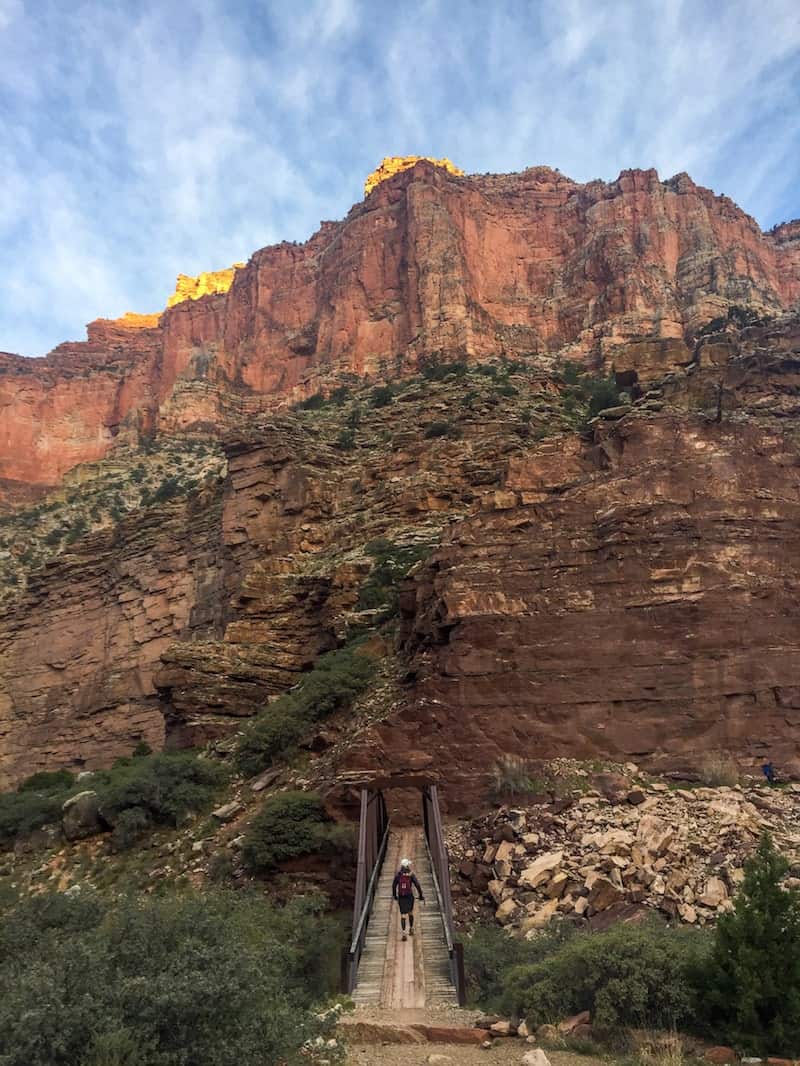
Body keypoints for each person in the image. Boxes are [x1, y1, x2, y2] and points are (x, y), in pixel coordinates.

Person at [392, 857, 425, 941]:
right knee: (410, 912)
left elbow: (394, 886)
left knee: (403, 914)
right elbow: (417, 885)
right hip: (409, 896)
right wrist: (421, 895)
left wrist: (395, 896)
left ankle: (403, 932)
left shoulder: (398, 875)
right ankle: (411, 929)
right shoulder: (411, 874)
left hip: (401, 896)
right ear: (407, 866)